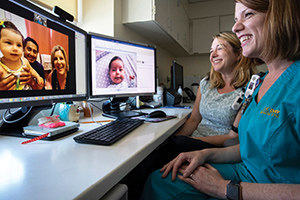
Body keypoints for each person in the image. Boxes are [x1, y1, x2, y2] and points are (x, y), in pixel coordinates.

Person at [141, 0, 300, 199]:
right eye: (235, 19)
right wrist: (205, 153)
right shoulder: (259, 82)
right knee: (160, 180)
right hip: (245, 170)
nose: (235, 27)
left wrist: (224, 188)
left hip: (267, 187)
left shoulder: (294, 84)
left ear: (281, 16)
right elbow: (250, 148)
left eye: (248, 14)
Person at [124, 31, 258, 200]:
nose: (213, 54)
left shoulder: (249, 90)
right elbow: (194, 119)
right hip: (190, 143)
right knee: (159, 150)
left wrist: (190, 143)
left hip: (217, 148)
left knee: (162, 153)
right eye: (211, 50)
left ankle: (135, 189)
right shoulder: (206, 83)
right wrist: (174, 142)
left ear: (238, 54)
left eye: (220, 48)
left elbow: (233, 136)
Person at [0, 20, 44, 90]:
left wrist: (37, 78)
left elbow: (33, 72)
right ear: (24, 49)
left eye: (18, 45)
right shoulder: (1, 67)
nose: (15, 48)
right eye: (9, 43)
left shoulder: (27, 62)